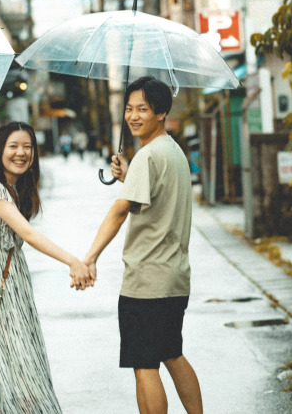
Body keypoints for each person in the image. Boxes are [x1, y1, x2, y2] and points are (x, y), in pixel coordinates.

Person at [83, 77, 203, 414]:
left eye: (143, 109)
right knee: (172, 354)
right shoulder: (172, 151)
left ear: (161, 112)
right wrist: (127, 176)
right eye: (129, 109)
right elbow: (157, 198)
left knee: (144, 364)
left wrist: (90, 257)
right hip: (174, 279)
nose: (133, 116)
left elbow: (121, 210)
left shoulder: (149, 156)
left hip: (146, 283)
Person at [0, 121, 92, 413]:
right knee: (19, 363)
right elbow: (29, 234)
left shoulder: (5, 188)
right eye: (14, 146)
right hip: (0, 288)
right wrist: (74, 261)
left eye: (28, 147)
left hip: (2, 283)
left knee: (0, 364)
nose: (22, 153)